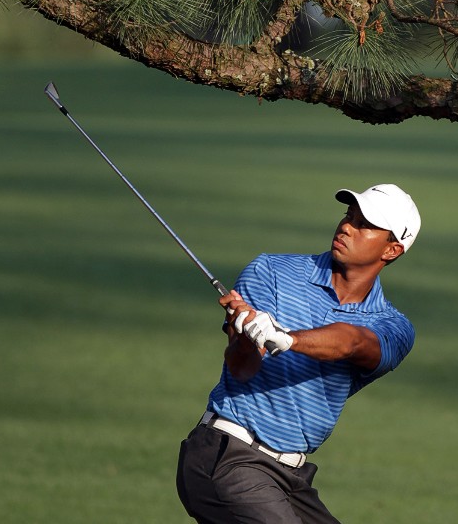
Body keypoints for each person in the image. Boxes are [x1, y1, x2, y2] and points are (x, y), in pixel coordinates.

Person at [176, 184, 421, 523]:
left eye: (364, 224)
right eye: (349, 215)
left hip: (290, 477)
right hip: (227, 455)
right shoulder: (271, 272)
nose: (347, 226)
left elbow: (353, 343)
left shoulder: (393, 326)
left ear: (392, 250)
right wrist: (245, 334)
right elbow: (241, 368)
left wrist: (284, 337)